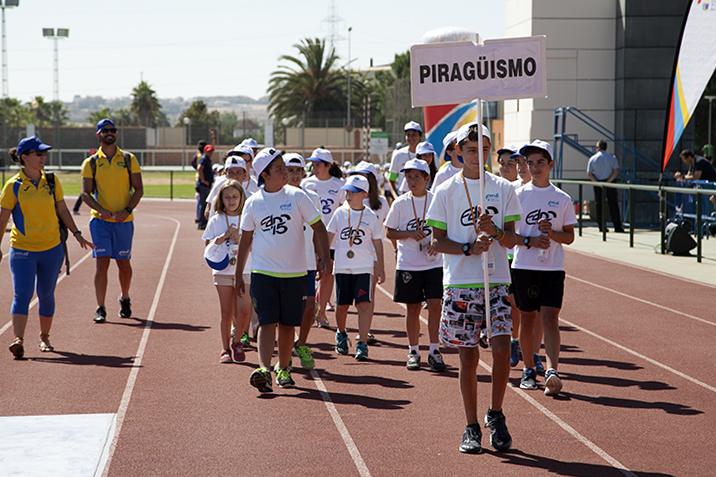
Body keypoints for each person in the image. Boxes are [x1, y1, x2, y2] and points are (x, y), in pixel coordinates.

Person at [426, 122, 521, 454]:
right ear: (457, 151)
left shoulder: (503, 188)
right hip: (461, 282)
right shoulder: (445, 190)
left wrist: (494, 232)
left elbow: (514, 239)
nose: (476, 155)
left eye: (483, 148)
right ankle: (471, 427)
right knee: (467, 358)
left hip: (496, 279)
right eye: (469, 149)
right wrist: (467, 248)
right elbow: (437, 242)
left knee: (502, 351)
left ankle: (495, 414)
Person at [235, 148, 330, 393]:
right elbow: (245, 241)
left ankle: (284, 368)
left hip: (295, 273)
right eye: (279, 169)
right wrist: (238, 275)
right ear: (264, 175)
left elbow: (319, 227)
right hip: (263, 273)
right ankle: (264, 369)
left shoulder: (297, 197)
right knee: (267, 322)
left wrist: (324, 258)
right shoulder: (254, 203)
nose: (285, 172)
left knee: (288, 325)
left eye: (284, 167)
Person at [1, 136, 94, 358]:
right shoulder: (12, 186)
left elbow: (62, 210)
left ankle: (44, 338)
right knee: (22, 293)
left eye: (44, 154)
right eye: (38, 154)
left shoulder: (51, 181)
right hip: (23, 248)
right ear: (24, 157)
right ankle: (18, 340)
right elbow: (3, 218)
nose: (43, 157)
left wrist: (77, 233)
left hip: (52, 249)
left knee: (46, 293)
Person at [511, 140, 576, 396]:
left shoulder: (562, 198)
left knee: (550, 318)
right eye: (530, 163)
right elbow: (507, 235)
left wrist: (553, 233)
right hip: (524, 265)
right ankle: (529, 368)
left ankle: (552, 370)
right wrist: (529, 240)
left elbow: (569, 236)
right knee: (527, 318)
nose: (534, 167)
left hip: (552, 268)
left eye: (540, 162)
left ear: (550, 165)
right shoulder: (518, 196)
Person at [385, 158, 445, 372]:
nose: (411, 181)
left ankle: (435, 350)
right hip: (409, 263)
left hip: (433, 263)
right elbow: (389, 231)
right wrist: (409, 234)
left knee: (436, 306)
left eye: (416, 177)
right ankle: (413, 351)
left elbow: (446, 229)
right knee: (413, 308)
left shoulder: (437, 199)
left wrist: (437, 243)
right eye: (408, 177)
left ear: (427, 178)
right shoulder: (400, 203)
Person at [81, 119, 143, 324]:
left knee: (124, 264)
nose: (110, 133)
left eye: (113, 130)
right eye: (105, 131)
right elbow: (85, 194)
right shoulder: (90, 162)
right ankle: (100, 307)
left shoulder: (128, 159)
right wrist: (101, 210)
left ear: (116, 134)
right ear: (98, 135)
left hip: (124, 221)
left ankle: (125, 298)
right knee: (102, 263)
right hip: (100, 222)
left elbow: (139, 189)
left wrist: (127, 210)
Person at [326, 175, 386, 361]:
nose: (348, 195)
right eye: (347, 192)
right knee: (342, 306)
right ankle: (341, 333)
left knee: (363, 305)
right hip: (343, 267)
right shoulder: (339, 213)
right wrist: (324, 259)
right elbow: (329, 236)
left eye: (353, 192)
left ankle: (362, 344)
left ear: (364, 194)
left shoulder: (370, 216)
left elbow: (377, 242)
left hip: (364, 267)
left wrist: (381, 268)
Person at [202, 180, 249, 363]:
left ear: (241, 198)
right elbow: (207, 247)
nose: (231, 201)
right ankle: (225, 349)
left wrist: (242, 240)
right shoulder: (216, 220)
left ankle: (238, 341)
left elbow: (258, 244)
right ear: (221, 199)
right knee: (226, 312)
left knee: (244, 309)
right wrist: (225, 236)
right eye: (227, 197)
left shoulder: (247, 217)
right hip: (222, 271)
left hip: (245, 268)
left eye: (235, 197)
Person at [301, 147, 345, 328]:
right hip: (309, 236)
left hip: (331, 236)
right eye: (312, 165)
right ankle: (307, 309)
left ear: (328, 165)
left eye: (318, 165)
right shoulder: (306, 184)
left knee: (328, 273)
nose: (314, 169)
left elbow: (343, 210)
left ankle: (321, 313)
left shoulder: (339, 185)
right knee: (308, 273)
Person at [285, 153, 319, 369]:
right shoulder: (277, 197)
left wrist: (321, 256)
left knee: (309, 308)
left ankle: (302, 344)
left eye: (298, 171)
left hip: (307, 263)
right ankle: (285, 353)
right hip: (284, 265)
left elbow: (318, 229)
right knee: (286, 312)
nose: (295, 175)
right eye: (290, 170)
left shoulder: (312, 197)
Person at [349, 161, 389, 345]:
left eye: (365, 175)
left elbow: (383, 232)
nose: (361, 178)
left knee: (368, 294)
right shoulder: (349, 199)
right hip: (351, 253)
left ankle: (364, 331)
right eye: (358, 174)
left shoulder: (381, 203)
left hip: (371, 255)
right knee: (350, 297)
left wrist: (382, 260)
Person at [587, 140, 624, 233]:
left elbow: (589, 173)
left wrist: (597, 183)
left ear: (598, 148)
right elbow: (616, 171)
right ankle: (617, 226)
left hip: (598, 182)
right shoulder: (612, 157)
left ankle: (602, 227)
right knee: (613, 204)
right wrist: (609, 181)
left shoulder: (593, 158)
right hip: (610, 181)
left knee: (599, 205)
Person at [388, 121, 423, 199]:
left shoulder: (428, 154)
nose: (410, 138)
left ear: (420, 136)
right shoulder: (398, 155)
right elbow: (391, 180)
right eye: (408, 135)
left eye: (414, 135)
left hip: (423, 198)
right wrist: (396, 197)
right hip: (404, 198)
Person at [195, 144, 215, 230]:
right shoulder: (203, 159)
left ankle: (202, 221)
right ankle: (202, 222)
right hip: (204, 186)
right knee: (203, 204)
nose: (210, 153)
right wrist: (203, 181)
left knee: (204, 203)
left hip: (206, 185)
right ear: (205, 151)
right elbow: (199, 169)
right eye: (208, 151)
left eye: (211, 151)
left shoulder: (207, 159)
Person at [73, 148, 97, 215]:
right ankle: (75, 208)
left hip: (96, 180)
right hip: (89, 179)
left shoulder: (98, 161)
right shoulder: (87, 162)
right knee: (84, 194)